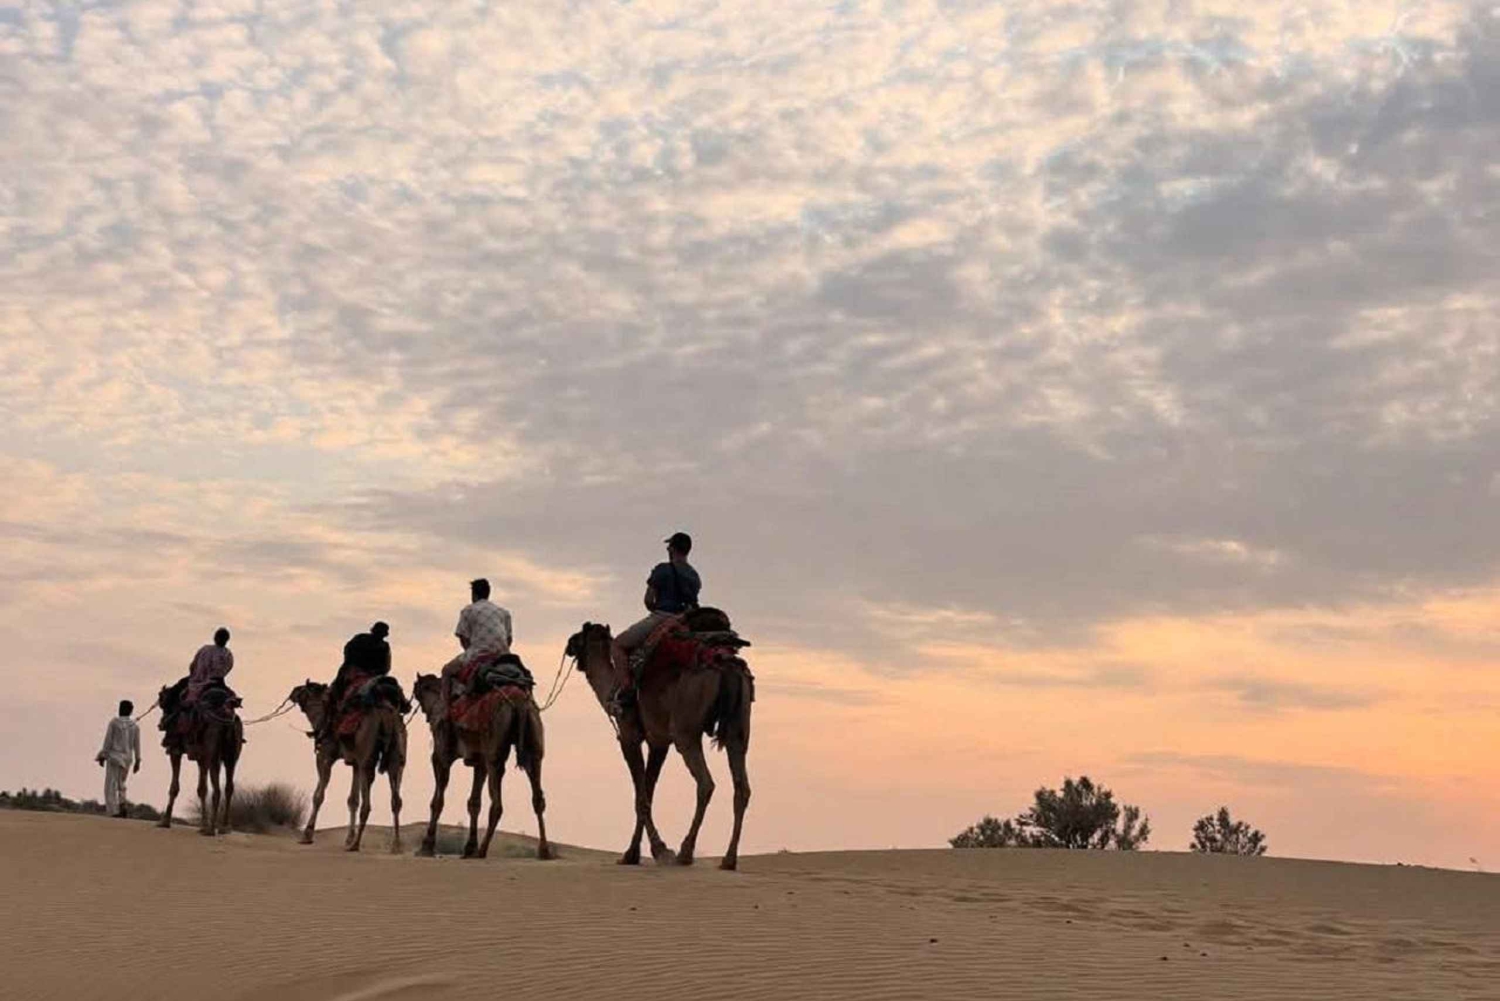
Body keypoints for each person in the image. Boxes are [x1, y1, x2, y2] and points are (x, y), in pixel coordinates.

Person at [609, 531, 702, 711]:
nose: (667, 548)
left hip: (662, 617)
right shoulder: (695, 576)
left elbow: (648, 601)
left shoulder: (662, 570)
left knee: (618, 645)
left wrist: (658, 610)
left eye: (669, 546)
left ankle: (627, 690)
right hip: (685, 621)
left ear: (672, 548)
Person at [440, 579, 513, 715]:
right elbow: (508, 639)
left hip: (478, 653)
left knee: (447, 671)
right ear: (488, 594)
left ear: (474, 595)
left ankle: (446, 713)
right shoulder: (504, 612)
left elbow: (463, 639)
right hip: (503, 656)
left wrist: (471, 653)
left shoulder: (468, 610)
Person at [319, 622, 392, 741]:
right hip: (375, 676)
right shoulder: (382, 646)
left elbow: (348, 653)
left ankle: (327, 730)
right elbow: (386, 667)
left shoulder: (361, 639)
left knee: (332, 696)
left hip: (358, 674)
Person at [95, 700, 141, 818]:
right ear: (130, 711)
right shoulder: (134, 726)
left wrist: (102, 756)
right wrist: (138, 761)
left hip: (115, 757)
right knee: (121, 784)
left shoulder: (114, 723)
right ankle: (122, 804)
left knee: (110, 785)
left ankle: (113, 811)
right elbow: (137, 745)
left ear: (120, 709)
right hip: (127, 759)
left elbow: (108, 741)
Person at [186, 627, 234, 706]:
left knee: (177, 689)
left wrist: (195, 674)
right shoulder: (228, 654)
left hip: (198, 680)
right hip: (218, 682)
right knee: (231, 698)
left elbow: (193, 665)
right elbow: (227, 668)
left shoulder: (205, 649)